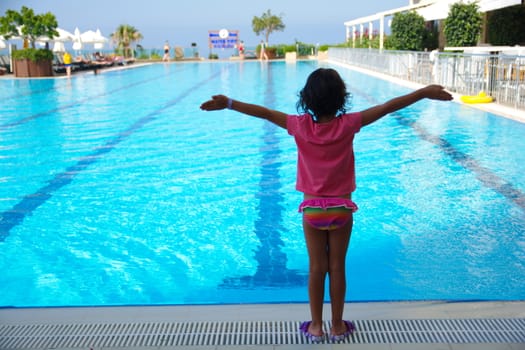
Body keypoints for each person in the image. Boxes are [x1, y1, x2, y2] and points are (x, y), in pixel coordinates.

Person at [200, 68, 453, 342]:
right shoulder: (349, 124)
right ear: (341, 98)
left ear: (307, 99)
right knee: (337, 268)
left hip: (311, 211)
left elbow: (264, 112)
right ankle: (338, 326)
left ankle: (317, 327)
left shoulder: (298, 126)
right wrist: (424, 92)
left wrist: (228, 103)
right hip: (341, 209)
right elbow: (387, 107)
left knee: (316, 269)